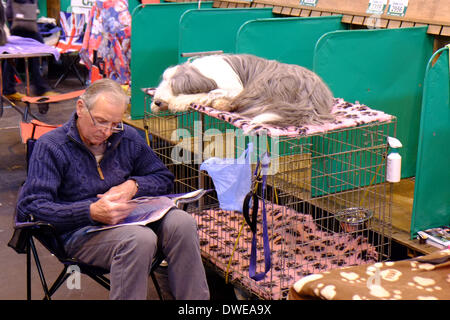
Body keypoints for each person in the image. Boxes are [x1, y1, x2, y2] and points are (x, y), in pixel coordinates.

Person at [16, 78, 210, 300]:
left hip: (132, 219)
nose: (107, 131)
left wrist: (133, 186)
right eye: (100, 121)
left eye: (114, 123)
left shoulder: (126, 137)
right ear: (80, 107)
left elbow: (163, 178)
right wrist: (90, 211)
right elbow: (33, 206)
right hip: (79, 232)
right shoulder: (51, 147)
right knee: (139, 240)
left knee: (183, 223)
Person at [3, 0, 56, 100]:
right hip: (19, 18)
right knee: (35, 47)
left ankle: (9, 89)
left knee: (18, 53)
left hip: (23, 18)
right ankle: (39, 88)